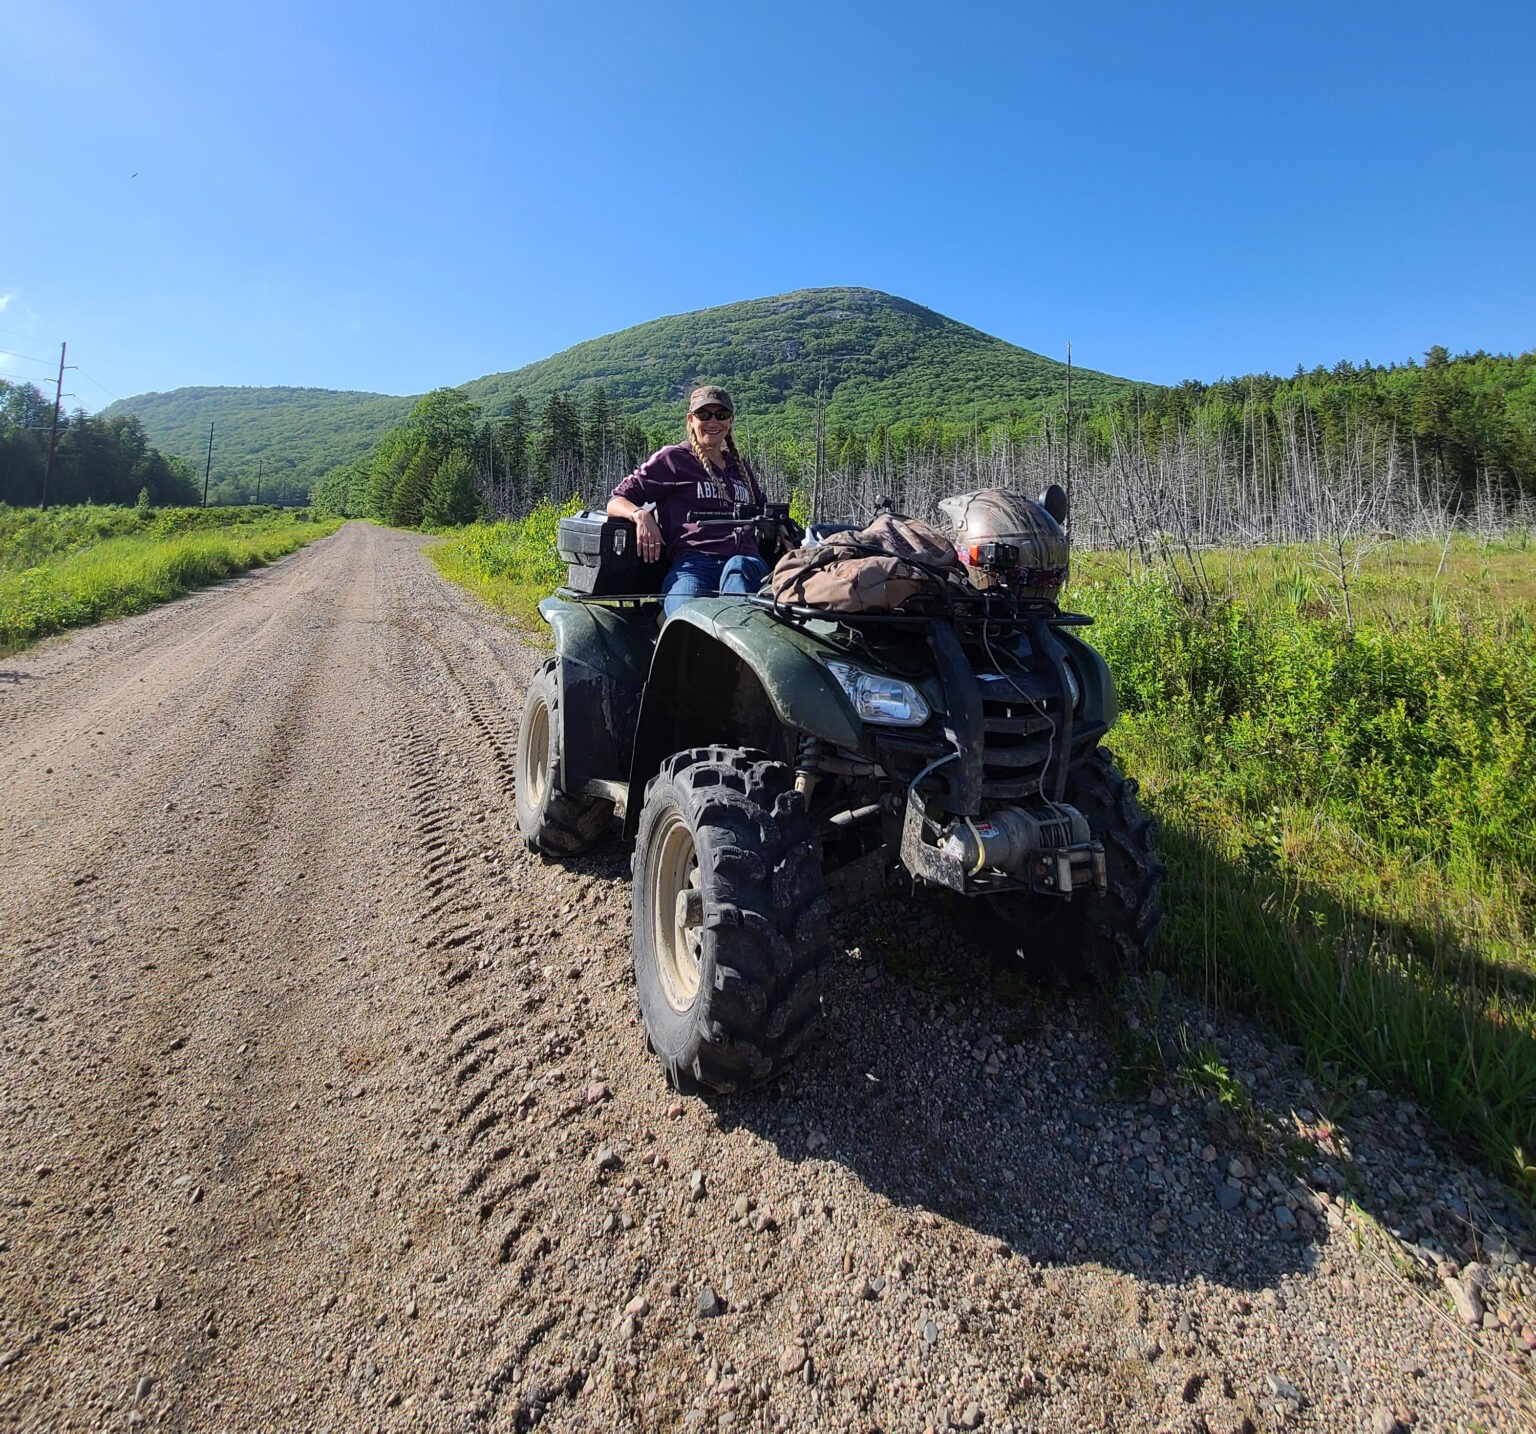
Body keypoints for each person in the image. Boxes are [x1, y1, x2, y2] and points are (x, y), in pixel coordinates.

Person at [607, 385, 770, 617]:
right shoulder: (674, 460)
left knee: (737, 570)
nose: (713, 422)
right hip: (694, 564)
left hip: (748, 563)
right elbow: (617, 499)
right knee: (685, 618)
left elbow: (765, 511)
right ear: (691, 419)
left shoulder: (739, 467)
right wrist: (640, 515)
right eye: (704, 415)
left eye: (721, 415)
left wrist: (782, 530)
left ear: (730, 421)